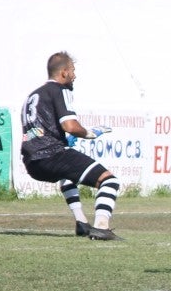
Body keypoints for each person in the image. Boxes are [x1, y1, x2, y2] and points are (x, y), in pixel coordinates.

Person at [20, 51, 121, 241]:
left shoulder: (32, 96)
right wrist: (89, 133)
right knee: (109, 181)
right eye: (73, 71)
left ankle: (81, 223)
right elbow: (70, 126)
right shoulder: (59, 90)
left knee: (67, 176)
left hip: (32, 162)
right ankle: (102, 226)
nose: (75, 75)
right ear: (64, 72)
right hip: (52, 154)